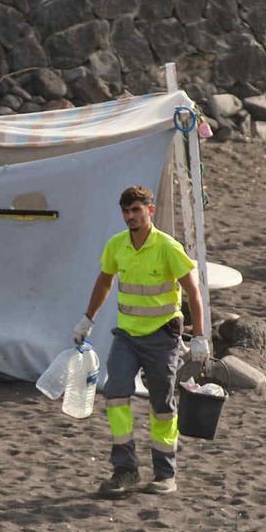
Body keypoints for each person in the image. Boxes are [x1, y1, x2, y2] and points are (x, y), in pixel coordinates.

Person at [74, 185, 207, 498]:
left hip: (163, 336)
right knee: (116, 393)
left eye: (136, 210)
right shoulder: (117, 245)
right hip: (127, 335)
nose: (131, 216)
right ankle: (125, 470)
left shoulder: (168, 247)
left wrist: (200, 336)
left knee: (162, 404)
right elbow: (105, 280)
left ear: (150, 210)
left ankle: (165, 473)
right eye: (126, 211)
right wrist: (87, 318)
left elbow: (193, 291)